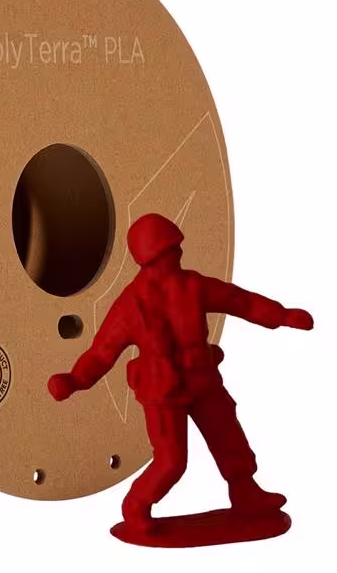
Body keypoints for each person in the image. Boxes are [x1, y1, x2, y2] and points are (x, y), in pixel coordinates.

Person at [48, 213, 313, 533]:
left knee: (229, 437)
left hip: (202, 379)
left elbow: (240, 301)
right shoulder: (131, 305)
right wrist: (75, 380)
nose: (179, 252)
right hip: (163, 390)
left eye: (176, 247)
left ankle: (246, 493)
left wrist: (282, 315)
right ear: (154, 255)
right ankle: (137, 505)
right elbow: (102, 353)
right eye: (172, 248)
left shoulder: (193, 286)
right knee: (171, 461)